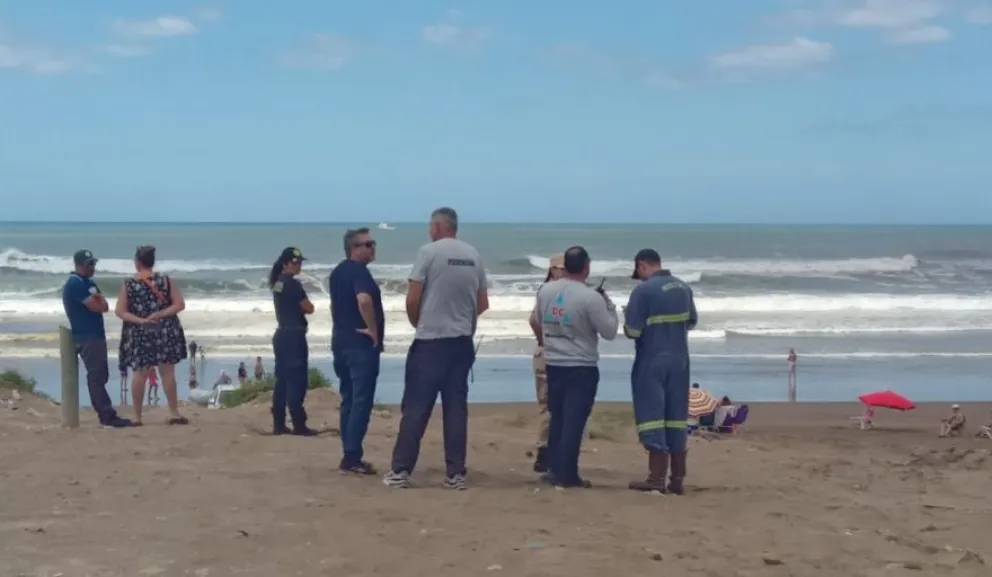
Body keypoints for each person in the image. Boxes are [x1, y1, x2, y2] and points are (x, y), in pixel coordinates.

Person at [384, 207, 489, 490]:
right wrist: (461, 320)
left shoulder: (428, 253)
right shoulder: (472, 255)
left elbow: (412, 297)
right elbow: (483, 303)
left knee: (417, 407)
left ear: (439, 227)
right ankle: (455, 474)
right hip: (461, 341)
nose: (429, 230)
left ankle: (400, 470)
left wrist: (419, 323)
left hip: (431, 342)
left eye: (431, 226)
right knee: (455, 408)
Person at [533, 246, 619, 488]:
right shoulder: (591, 297)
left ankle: (555, 469)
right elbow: (609, 331)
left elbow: (539, 320)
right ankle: (567, 474)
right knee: (574, 420)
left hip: (554, 362)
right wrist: (609, 305)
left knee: (558, 418)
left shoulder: (546, 290)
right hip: (581, 365)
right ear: (586, 267)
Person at [623, 248, 698, 495]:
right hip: (680, 359)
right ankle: (677, 479)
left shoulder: (643, 291)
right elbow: (692, 322)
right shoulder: (684, 288)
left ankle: (656, 478)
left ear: (642, 265)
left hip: (652, 360)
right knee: (676, 417)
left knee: (651, 416)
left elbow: (633, 331)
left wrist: (627, 316)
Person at [115, 245, 189, 426]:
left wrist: (140, 320)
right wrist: (160, 314)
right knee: (167, 372)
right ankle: (173, 412)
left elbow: (120, 311)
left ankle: (138, 416)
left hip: (140, 332)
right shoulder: (165, 281)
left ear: (137, 262)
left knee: (140, 374)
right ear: (152, 262)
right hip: (164, 330)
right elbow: (179, 305)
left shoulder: (129, 284)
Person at [330, 227, 384, 475]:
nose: (373, 248)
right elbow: (364, 300)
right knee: (361, 400)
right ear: (354, 248)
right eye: (368, 244)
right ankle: (352, 456)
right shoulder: (358, 272)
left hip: (341, 341)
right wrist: (373, 329)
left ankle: (349, 453)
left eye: (373, 244)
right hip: (359, 345)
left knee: (349, 399)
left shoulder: (337, 272)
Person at [61, 250, 132, 428]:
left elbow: (105, 306)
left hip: (95, 334)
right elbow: (95, 306)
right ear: (78, 265)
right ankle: (106, 415)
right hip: (87, 336)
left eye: (93, 264)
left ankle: (105, 413)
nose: (92, 267)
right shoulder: (75, 284)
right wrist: (97, 302)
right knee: (96, 376)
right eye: (88, 264)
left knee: (101, 374)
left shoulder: (89, 283)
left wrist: (98, 302)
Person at [268, 247, 317, 436]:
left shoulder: (277, 283)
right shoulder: (293, 285)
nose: (299, 266)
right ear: (285, 263)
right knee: (297, 380)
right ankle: (299, 423)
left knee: (282, 381)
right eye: (295, 262)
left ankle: (279, 423)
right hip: (294, 336)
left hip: (281, 334)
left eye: (300, 262)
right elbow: (308, 307)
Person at [528, 253, 565, 473]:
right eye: (559, 268)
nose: (563, 272)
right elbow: (533, 320)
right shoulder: (548, 292)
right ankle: (544, 451)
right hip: (547, 353)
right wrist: (544, 340)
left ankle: (553, 450)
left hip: (558, 352)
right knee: (547, 405)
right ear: (552, 269)